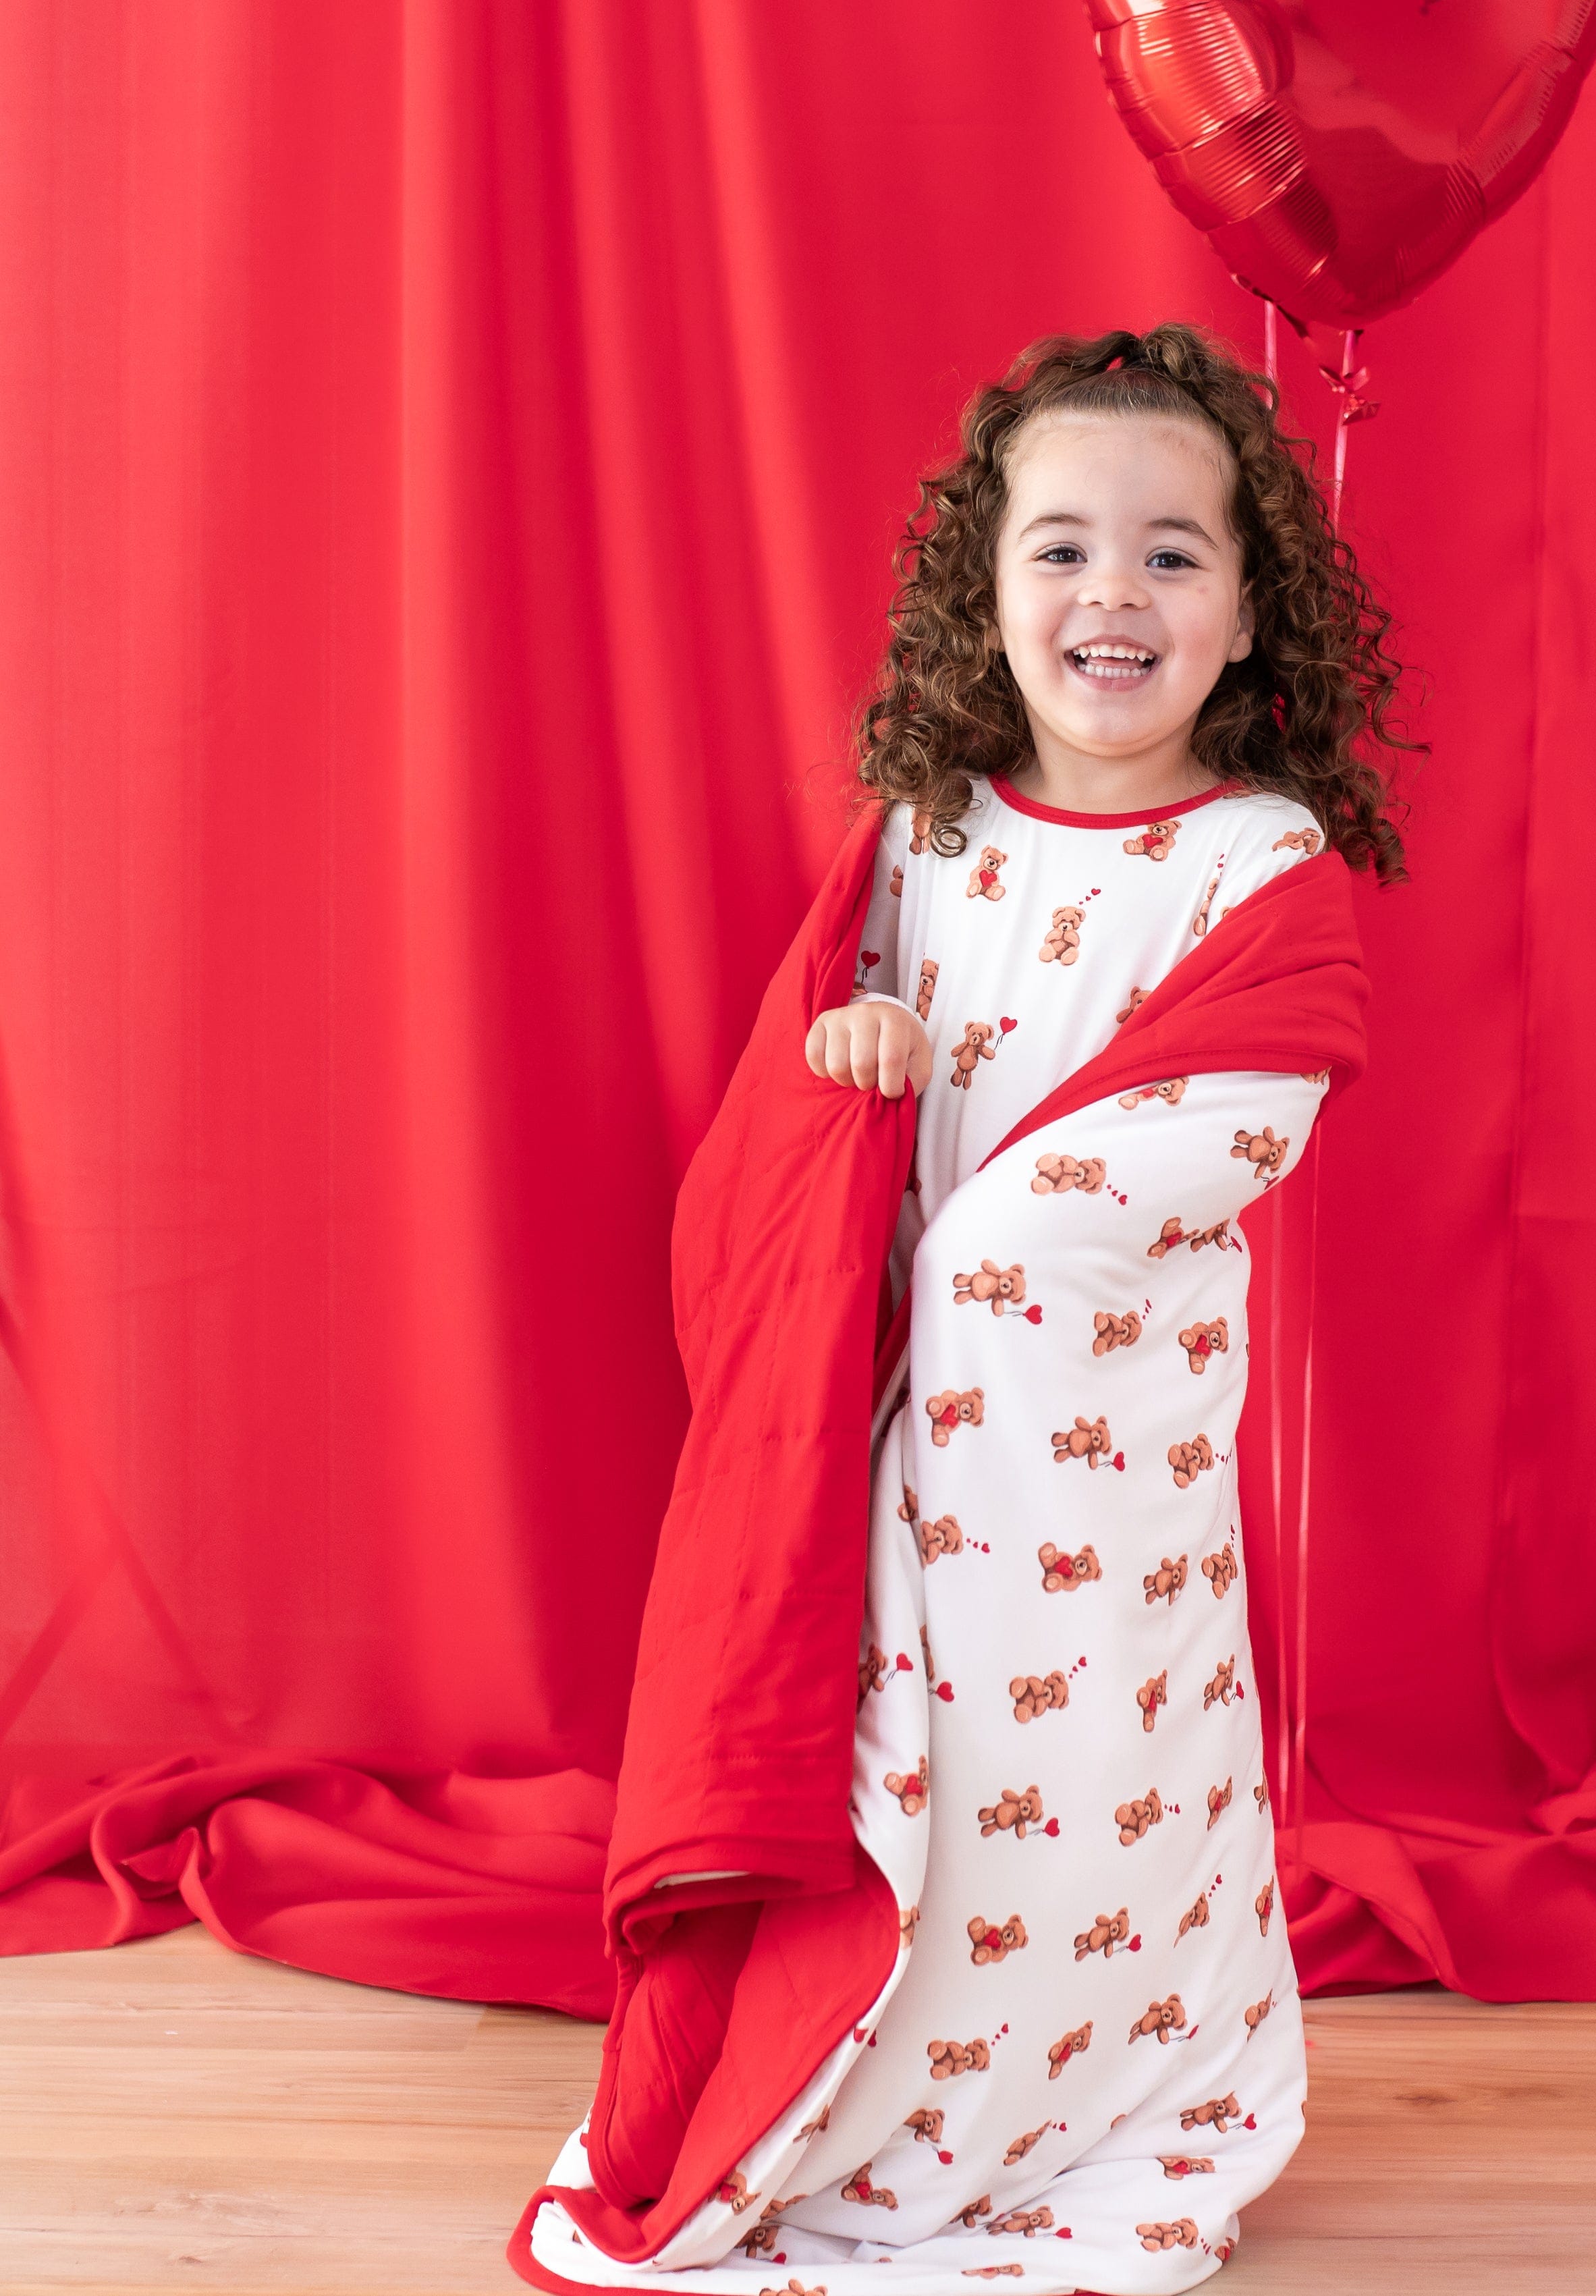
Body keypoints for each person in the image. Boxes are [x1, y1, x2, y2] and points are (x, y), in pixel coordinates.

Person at [518, 323, 1411, 2295]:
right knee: (903, 1789)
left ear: (1252, 604)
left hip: (1097, 1449)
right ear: (984, 592)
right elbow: (820, 1094)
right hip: (898, 1438)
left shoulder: (1255, 862)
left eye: (1175, 554)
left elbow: (1225, 1115)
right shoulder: (933, 836)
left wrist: (1001, 1256)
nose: (1116, 592)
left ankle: (1084, 2091)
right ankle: (879, 2098)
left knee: (1077, 1771)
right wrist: (856, 1049)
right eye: (1064, 548)